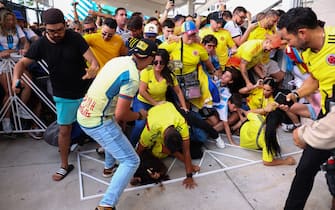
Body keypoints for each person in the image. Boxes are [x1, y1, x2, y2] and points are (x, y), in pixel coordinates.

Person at [12, 8, 99, 181]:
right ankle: (64, 165)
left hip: (86, 91)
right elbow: (20, 64)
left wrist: (92, 70)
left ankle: (109, 158)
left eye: (60, 29)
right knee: (64, 130)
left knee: (99, 125)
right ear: (45, 28)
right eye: (52, 31)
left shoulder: (75, 38)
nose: (57, 34)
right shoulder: (41, 44)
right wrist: (16, 80)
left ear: (65, 25)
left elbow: (94, 62)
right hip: (63, 94)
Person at [77, 39, 157, 210]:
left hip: (86, 112)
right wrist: (140, 115)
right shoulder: (133, 77)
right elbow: (122, 114)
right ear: (150, 58)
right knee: (131, 161)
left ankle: (108, 169)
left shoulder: (118, 60)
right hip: (98, 120)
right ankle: (106, 205)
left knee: (116, 134)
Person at [276, 7, 335, 210]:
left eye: (286, 39)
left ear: (302, 33)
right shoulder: (308, 52)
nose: (285, 45)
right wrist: (294, 95)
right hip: (328, 112)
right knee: (305, 169)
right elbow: (315, 79)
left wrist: (307, 132)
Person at [130, 48, 187, 147]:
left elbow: (178, 91)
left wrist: (184, 106)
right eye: (155, 62)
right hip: (143, 102)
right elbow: (142, 91)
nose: (158, 65)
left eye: (162, 62)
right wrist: (155, 104)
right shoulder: (147, 71)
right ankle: (131, 145)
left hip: (160, 103)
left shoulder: (169, 75)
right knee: (140, 124)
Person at [136, 101, 198, 189]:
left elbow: (186, 150)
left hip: (167, 106)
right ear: (162, 139)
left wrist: (189, 176)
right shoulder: (150, 130)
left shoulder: (182, 123)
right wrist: (134, 173)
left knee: (196, 152)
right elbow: (139, 150)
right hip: (155, 111)